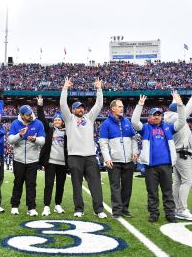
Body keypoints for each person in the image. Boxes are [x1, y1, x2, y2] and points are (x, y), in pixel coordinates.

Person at [131, 92, 186, 223]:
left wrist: (180, 105)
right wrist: (140, 105)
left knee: (168, 192)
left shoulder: (168, 128)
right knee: (152, 192)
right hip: (150, 166)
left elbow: (182, 121)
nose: (157, 117)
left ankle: (170, 214)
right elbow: (134, 122)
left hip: (166, 165)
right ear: (149, 117)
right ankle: (154, 214)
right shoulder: (145, 128)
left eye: (159, 115)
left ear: (162, 117)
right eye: (154, 115)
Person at [60, 77, 107, 219]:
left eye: (82, 107)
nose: (81, 109)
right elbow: (62, 104)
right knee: (76, 185)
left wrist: (99, 89)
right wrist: (65, 88)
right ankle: (78, 209)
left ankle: (98, 209)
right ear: (73, 109)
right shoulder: (69, 119)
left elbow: (98, 105)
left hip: (90, 157)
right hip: (74, 156)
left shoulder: (89, 117)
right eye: (78, 107)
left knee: (95, 184)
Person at [163, 79, 192, 221]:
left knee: (178, 182)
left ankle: (175, 207)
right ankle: (182, 209)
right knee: (186, 181)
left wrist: (175, 98)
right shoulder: (179, 118)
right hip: (182, 154)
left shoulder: (167, 119)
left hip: (175, 154)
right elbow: (190, 105)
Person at [99, 99, 138, 219]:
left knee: (127, 186)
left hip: (128, 161)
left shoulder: (127, 121)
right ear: (113, 109)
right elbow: (103, 143)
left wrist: (135, 152)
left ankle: (124, 208)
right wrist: (107, 158)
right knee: (115, 186)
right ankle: (116, 210)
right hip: (114, 161)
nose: (122, 108)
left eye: (122, 106)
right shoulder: (105, 124)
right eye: (119, 106)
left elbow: (133, 138)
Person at [8, 105, 45, 216]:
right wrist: (20, 135)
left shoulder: (38, 123)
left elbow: (43, 140)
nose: (30, 115)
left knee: (31, 184)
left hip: (32, 159)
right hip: (18, 159)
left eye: (31, 113)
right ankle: (15, 206)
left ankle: (31, 207)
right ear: (22, 115)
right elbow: (10, 140)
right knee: (17, 183)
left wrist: (35, 140)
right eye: (28, 114)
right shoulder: (15, 123)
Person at [37, 95, 69, 216]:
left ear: (62, 122)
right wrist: (40, 105)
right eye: (55, 120)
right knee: (48, 184)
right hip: (50, 162)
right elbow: (41, 118)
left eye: (58, 120)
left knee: (60, 185)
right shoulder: (49, 130)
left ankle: (57, 205)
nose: (56, 121)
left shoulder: (67, 132)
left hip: (62, 162)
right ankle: (46, 206)